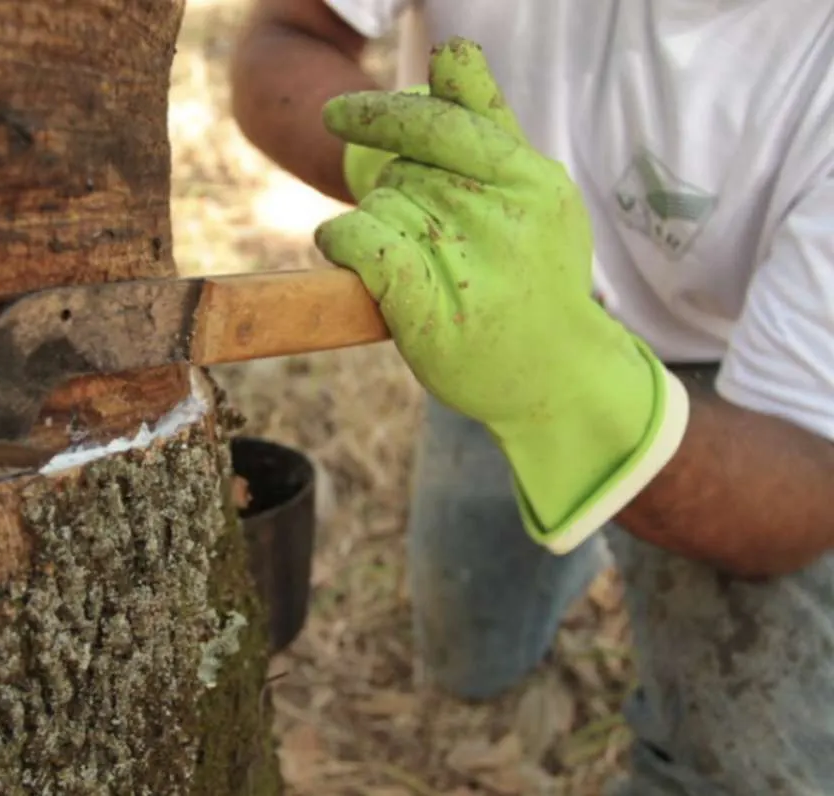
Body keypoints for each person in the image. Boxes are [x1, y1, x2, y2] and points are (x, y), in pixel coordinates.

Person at [230, 2, 834, 794]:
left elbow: (807, 489)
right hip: (486, 319)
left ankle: (593, 482)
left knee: (758, 771)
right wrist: (400, 173)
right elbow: (281, 39)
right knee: (468, 659)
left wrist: (570, 382)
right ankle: (576, 526)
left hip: (736, 393)